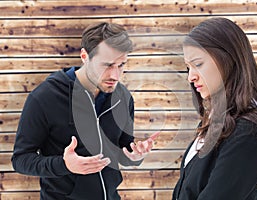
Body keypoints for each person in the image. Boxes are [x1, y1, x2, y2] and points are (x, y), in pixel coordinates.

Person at [11, 22, 157, 200]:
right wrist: (64, 165)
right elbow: (20, 160)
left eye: (121, 65)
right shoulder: (45, 97)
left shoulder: (123, 98)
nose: (115, 76)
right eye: (107, 65)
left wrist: (135, 155)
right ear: (84, 56)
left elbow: (122, 149)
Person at [172, 17, 257, 200]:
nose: (191, 77)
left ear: (227, 59)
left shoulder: (249, 131)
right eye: (188, 67)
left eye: (198, 64)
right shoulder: (217, 123)